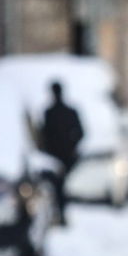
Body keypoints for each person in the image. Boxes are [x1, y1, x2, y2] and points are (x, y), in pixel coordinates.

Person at [41, 80, 85, 225]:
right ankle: (59, 214)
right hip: (57, 157)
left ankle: (60, 214)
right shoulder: (50, 113)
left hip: (61, 156)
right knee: (58, 188)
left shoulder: (53, 113)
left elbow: (80, 132)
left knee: (59, 188)